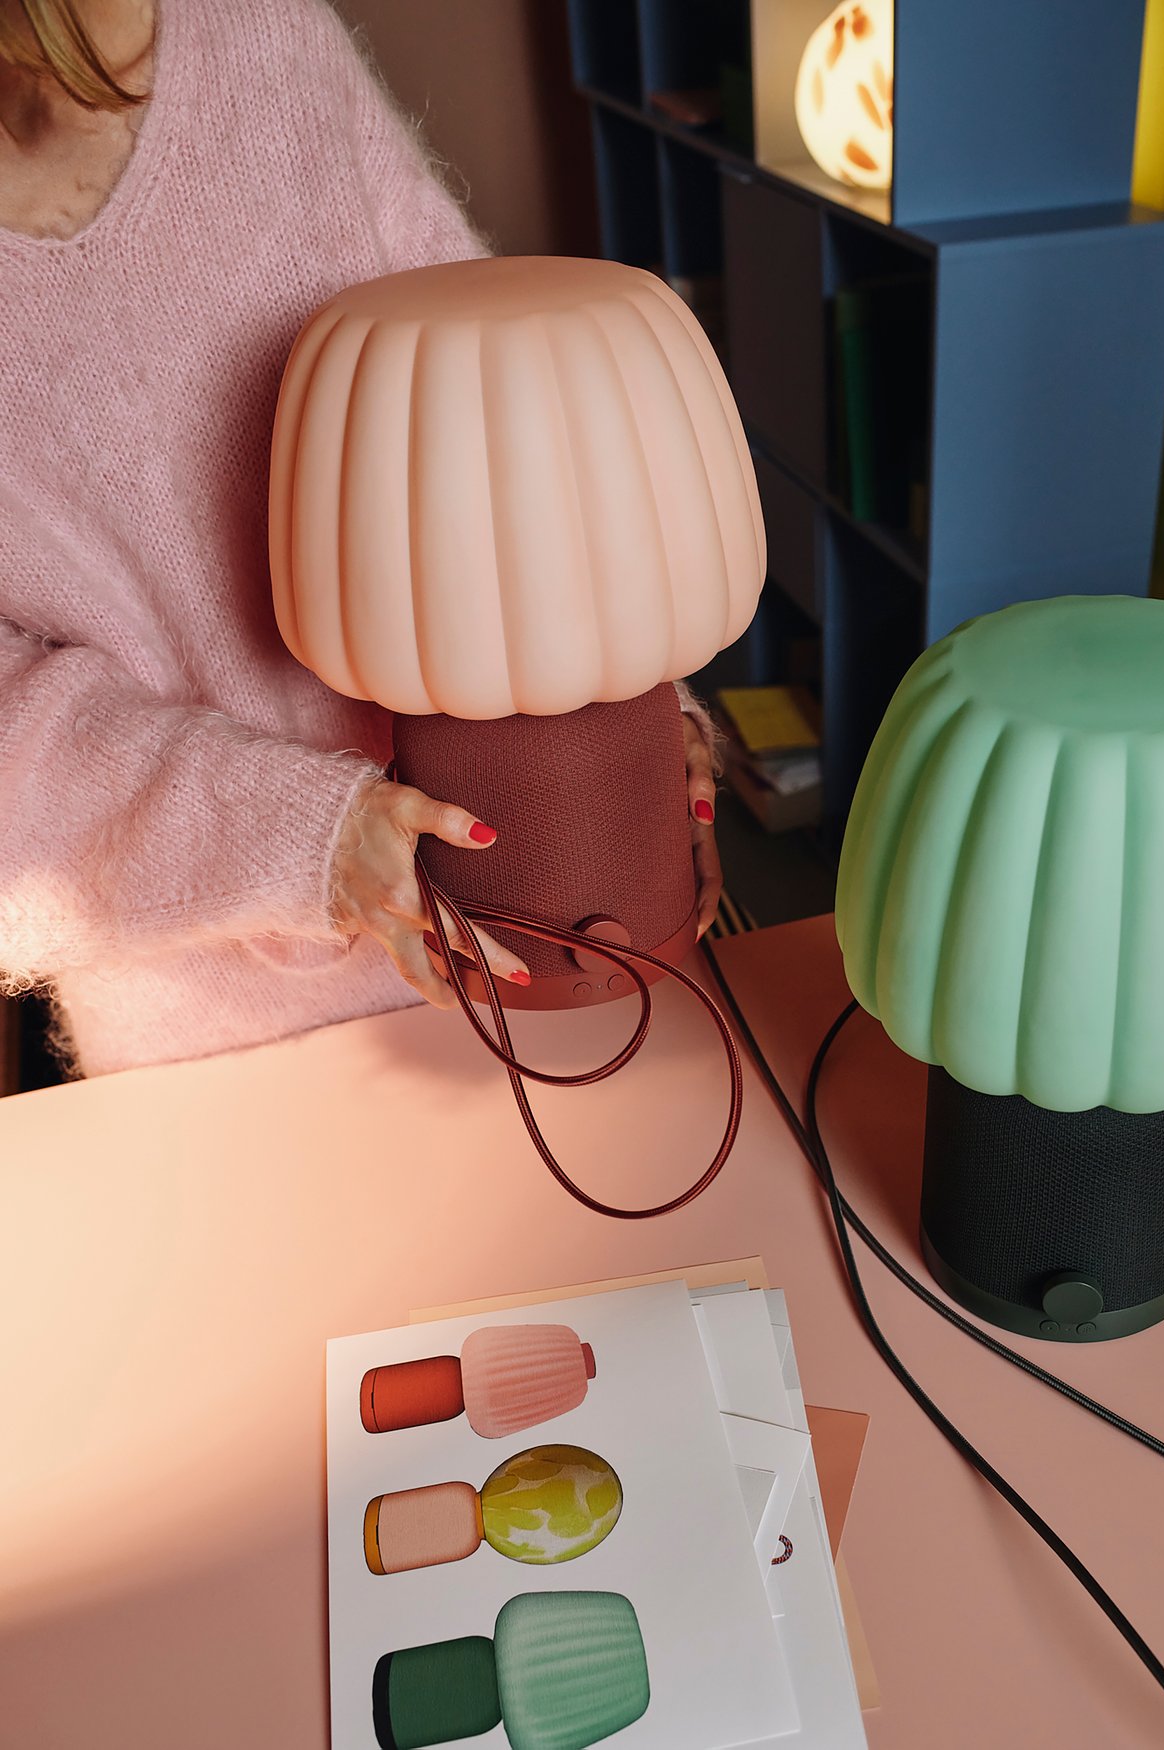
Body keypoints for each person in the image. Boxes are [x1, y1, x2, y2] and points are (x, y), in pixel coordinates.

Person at [0, 0, 722, 1078]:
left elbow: (502, 427)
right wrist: (299, 835)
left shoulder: (262, 32)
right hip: (211, 1047)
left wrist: (633, 720)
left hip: (538, 928)